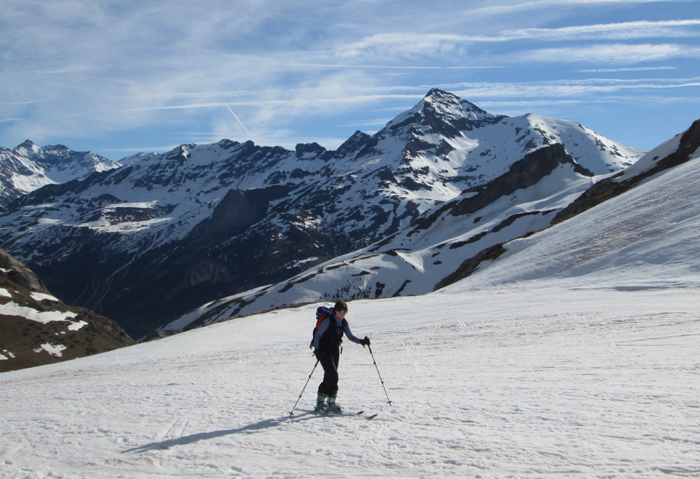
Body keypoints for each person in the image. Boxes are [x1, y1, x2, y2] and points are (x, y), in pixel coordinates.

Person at [313, 299, 370, 413]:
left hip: (335, 350)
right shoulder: (328, 321)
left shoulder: (344, 323)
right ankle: (331, 403)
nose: (343, 314)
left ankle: (320, 400)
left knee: (329, 375)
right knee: (333, 375)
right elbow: (318, 336)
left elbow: (350, 336)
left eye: (345, 312)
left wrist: (361, 341)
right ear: (335, 311)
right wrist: (317, 351)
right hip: (324, 351)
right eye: (341, 311)